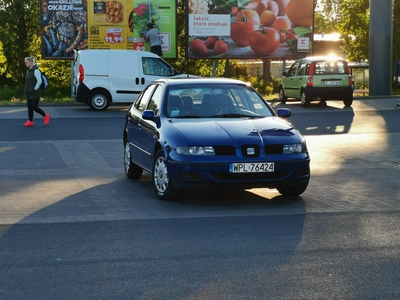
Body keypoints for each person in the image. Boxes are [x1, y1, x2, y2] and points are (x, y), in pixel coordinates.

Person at [23, 56, 50, 127]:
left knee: (34, 107)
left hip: (35, 93)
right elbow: (27, 82)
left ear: (31, 62)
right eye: (25, 62)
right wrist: (26, 90)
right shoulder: (28, 71)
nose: (26, 64)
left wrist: (35, 89)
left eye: (27, 62)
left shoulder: (36, 71)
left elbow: (39, 81)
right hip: (28, 92)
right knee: (29, 107)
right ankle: (30, 121)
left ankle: (45, 115)